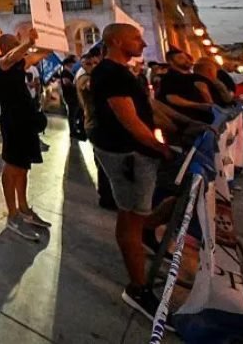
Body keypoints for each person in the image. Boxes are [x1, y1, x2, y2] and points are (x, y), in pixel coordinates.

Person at [90, 23, 175, 323]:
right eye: (135, 37)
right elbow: (128, 119)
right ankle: (137, 288)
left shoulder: (123, 71)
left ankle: (146, 236)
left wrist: (177, 128)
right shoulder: (109, 73)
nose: (141, 42)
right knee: (129, 216)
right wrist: (160, 147)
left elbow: (146, 109)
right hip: (126, 154)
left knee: (136, 213)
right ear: (115, 41)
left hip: (133, 152)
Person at [0, 29, 52, 241]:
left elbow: (40, 54)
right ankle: (12, 214)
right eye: (15, 43)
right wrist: (26, 43)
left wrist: (50, 37)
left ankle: (24, 207)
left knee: (23, 166)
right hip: (13, 121)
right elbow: (11, 57)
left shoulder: (19, 64)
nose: (20, 46)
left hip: (26, 120)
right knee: (12, 165)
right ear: (7, 46)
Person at [75, 46, 116, 209]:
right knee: (103, 163)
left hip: (104, 123)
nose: (91, 65)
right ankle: (106, 197)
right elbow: (91, 87)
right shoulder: (84, 79)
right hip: (95, 123)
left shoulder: (97, 76)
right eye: (87, 63)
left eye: (94, 62)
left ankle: (110, 194)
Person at [155, 49, 215, 124]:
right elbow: (171, 98)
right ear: (171, 62)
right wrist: (198, 105)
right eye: (180, 58)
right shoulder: (168, 79)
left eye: (186, 57)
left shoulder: (196, 76)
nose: (186, 60)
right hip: (193, 120)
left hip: (211, 117)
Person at [59, 55, 86, 140]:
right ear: (69, 63)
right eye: (73, 62)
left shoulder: (70, 71)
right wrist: (75, 85)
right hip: (70, 97)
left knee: (75, 113)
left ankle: (75, 129)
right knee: (72, 114)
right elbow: (66, 82)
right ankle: (73, 131)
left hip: (73, 96)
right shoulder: (65, 72)